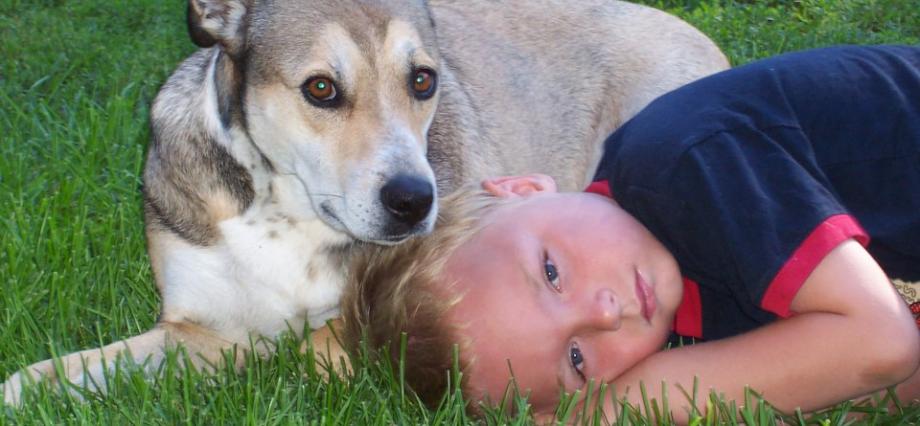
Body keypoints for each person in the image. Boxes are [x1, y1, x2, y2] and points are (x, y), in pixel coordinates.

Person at [342, 45, 920, 421]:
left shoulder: (680, 164)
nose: (603, 313)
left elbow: (881, 345)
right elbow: (876, 380)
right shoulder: (681, 309)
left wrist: (621, 406)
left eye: (551, 272)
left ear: (523, 187)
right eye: (576, 359)